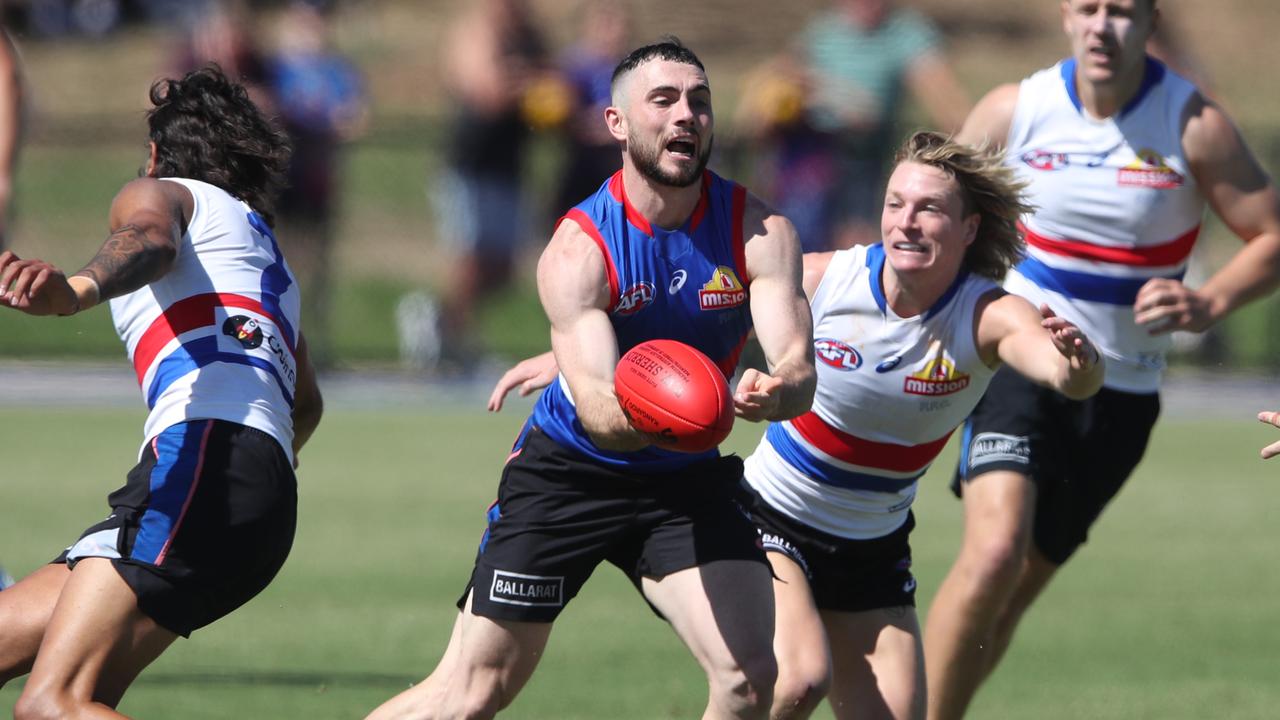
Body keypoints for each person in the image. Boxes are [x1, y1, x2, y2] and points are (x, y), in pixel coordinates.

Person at [489, 131, 1105, 720]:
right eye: (895, 204)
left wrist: (1078, 363)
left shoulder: (987, 314)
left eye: (930, 209)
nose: (906, 222)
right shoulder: (829, 279)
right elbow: (696, 308)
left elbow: (1058, 368)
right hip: (769, 516)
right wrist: (570, 354)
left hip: (873, 546)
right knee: (797, 680)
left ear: (970, 227)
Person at [365, 39, 816, 720]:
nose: (685, 116)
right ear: (617, 124)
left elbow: (798, 371)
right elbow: (603, 411)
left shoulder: (760, 229)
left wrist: (775, 389)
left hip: (685, 483)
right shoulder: (579, 250)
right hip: (571, 474)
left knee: (752, 679)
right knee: (471, 694)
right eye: (662, 101)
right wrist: (689, 404)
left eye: (699, 101)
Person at [924, 2, 1280, 718]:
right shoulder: (1013, 110)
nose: (1101, 26)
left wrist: (1207, 304)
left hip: (1125, 393)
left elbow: (1270, 235)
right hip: (1023, 364)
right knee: (993, 554)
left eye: (1121, 11)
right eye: (1088, 7)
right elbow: (927, 212)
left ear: (1149, 23)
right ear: (1066, 17)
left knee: (1018, 585)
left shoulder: (1192, 125)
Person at [0, 66, 323, 718]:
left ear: (155, 154)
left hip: (204, 460)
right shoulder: (264, 259)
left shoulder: (163, 192)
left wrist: (75, 291)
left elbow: (147, 237)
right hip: (252, 490)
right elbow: (306, 403)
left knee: (53, 705)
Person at [792, 0, 970, 249]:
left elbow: (941, 92)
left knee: (860, 234)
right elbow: (790, 77)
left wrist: (967, 146)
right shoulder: (823, 32)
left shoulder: (905, 33)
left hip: (872, 151)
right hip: (813, 152)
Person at [429, 0, 550, 368]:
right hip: (471, 166)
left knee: (504, 269)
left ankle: (441, 321)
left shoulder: (532, 38)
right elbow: (488, 94)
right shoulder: (477, 34)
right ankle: (449, 339)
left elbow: (556, 81)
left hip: (510, 167)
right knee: (470, 260)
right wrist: (529, 85)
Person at [268, 0, 368, 367]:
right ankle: (278, 341)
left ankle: (314, 347)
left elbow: (354, 118)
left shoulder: (338, 71)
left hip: (318, 179)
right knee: (280, 262)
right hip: (282, 182)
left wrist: (321, 126)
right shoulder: (275, 69)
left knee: (318, 267)